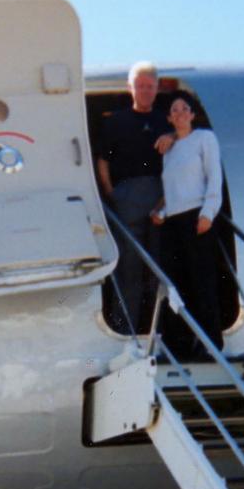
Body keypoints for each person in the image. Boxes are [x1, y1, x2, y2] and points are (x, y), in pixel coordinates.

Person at [97, 61, 173, 334]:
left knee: (158, 270)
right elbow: (103, 160)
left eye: (150, 87)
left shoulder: (166, 121)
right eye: (140, 86)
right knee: (128, 270)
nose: (145, 91)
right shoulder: (116, 121)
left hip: (161, 200)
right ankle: (126, 331)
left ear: (156, 90)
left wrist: (173, 135)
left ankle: (157, 334)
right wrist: (111, 193)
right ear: (131, 88)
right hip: (127, 198)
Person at [151, 92, 224, 357]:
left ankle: (209, 343)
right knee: (178, 284)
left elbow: (213, 176)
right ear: (170, 118)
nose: (180, 113)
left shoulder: (205, 139)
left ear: (192, 115)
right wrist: (162, 211)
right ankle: (179, 344)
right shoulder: (168, 150)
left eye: (185, 109)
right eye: (175, 110)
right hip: (174, 221)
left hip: (198, 217)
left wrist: (209, 211)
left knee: (202, 282)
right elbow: (174, 189)